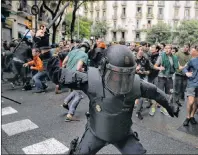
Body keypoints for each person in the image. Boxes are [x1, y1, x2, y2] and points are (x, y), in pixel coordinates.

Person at [47, 45, 179, 154]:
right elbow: (58, 75)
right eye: (117, 75)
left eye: (127, 76)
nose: (122, 81)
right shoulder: (92, 81)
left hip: (123, 135)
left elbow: (156, 93)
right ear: (104, 69)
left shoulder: (136, 84)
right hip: (96, 133)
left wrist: (169, 105)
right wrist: (48, 53)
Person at [182, 46, 198, 126]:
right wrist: (186, 73)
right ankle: (187, 116)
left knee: (196, 103)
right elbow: (185, 68)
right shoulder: (193, 60)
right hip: (192, 83)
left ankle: (192, 116)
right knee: (191, 102)